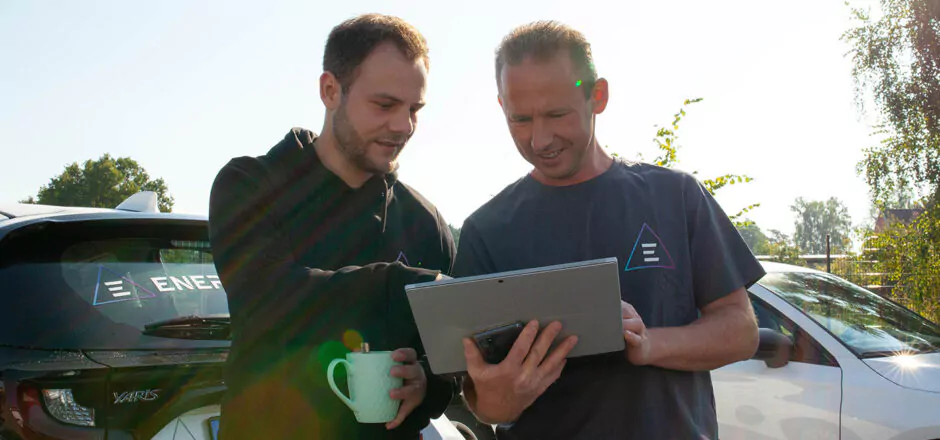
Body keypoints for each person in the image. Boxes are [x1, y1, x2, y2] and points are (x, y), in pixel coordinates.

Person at [453, 20, 765, 439]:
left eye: (556, 114)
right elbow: (483, 403)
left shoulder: (676, 197)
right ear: (501, 106)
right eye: (521, 119)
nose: (540, 138)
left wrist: (651, 343)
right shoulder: (486, 231)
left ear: (596, 96)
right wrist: (505, 394)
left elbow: (741, 331)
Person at [207, 13, 456, 440]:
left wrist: (427, 385)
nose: (403, 126)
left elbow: (448, 357)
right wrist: (399, 285)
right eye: (384, 105)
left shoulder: (424, 221)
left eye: (414, 109)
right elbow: (267, 300)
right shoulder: (249, 186)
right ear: (330, 90)